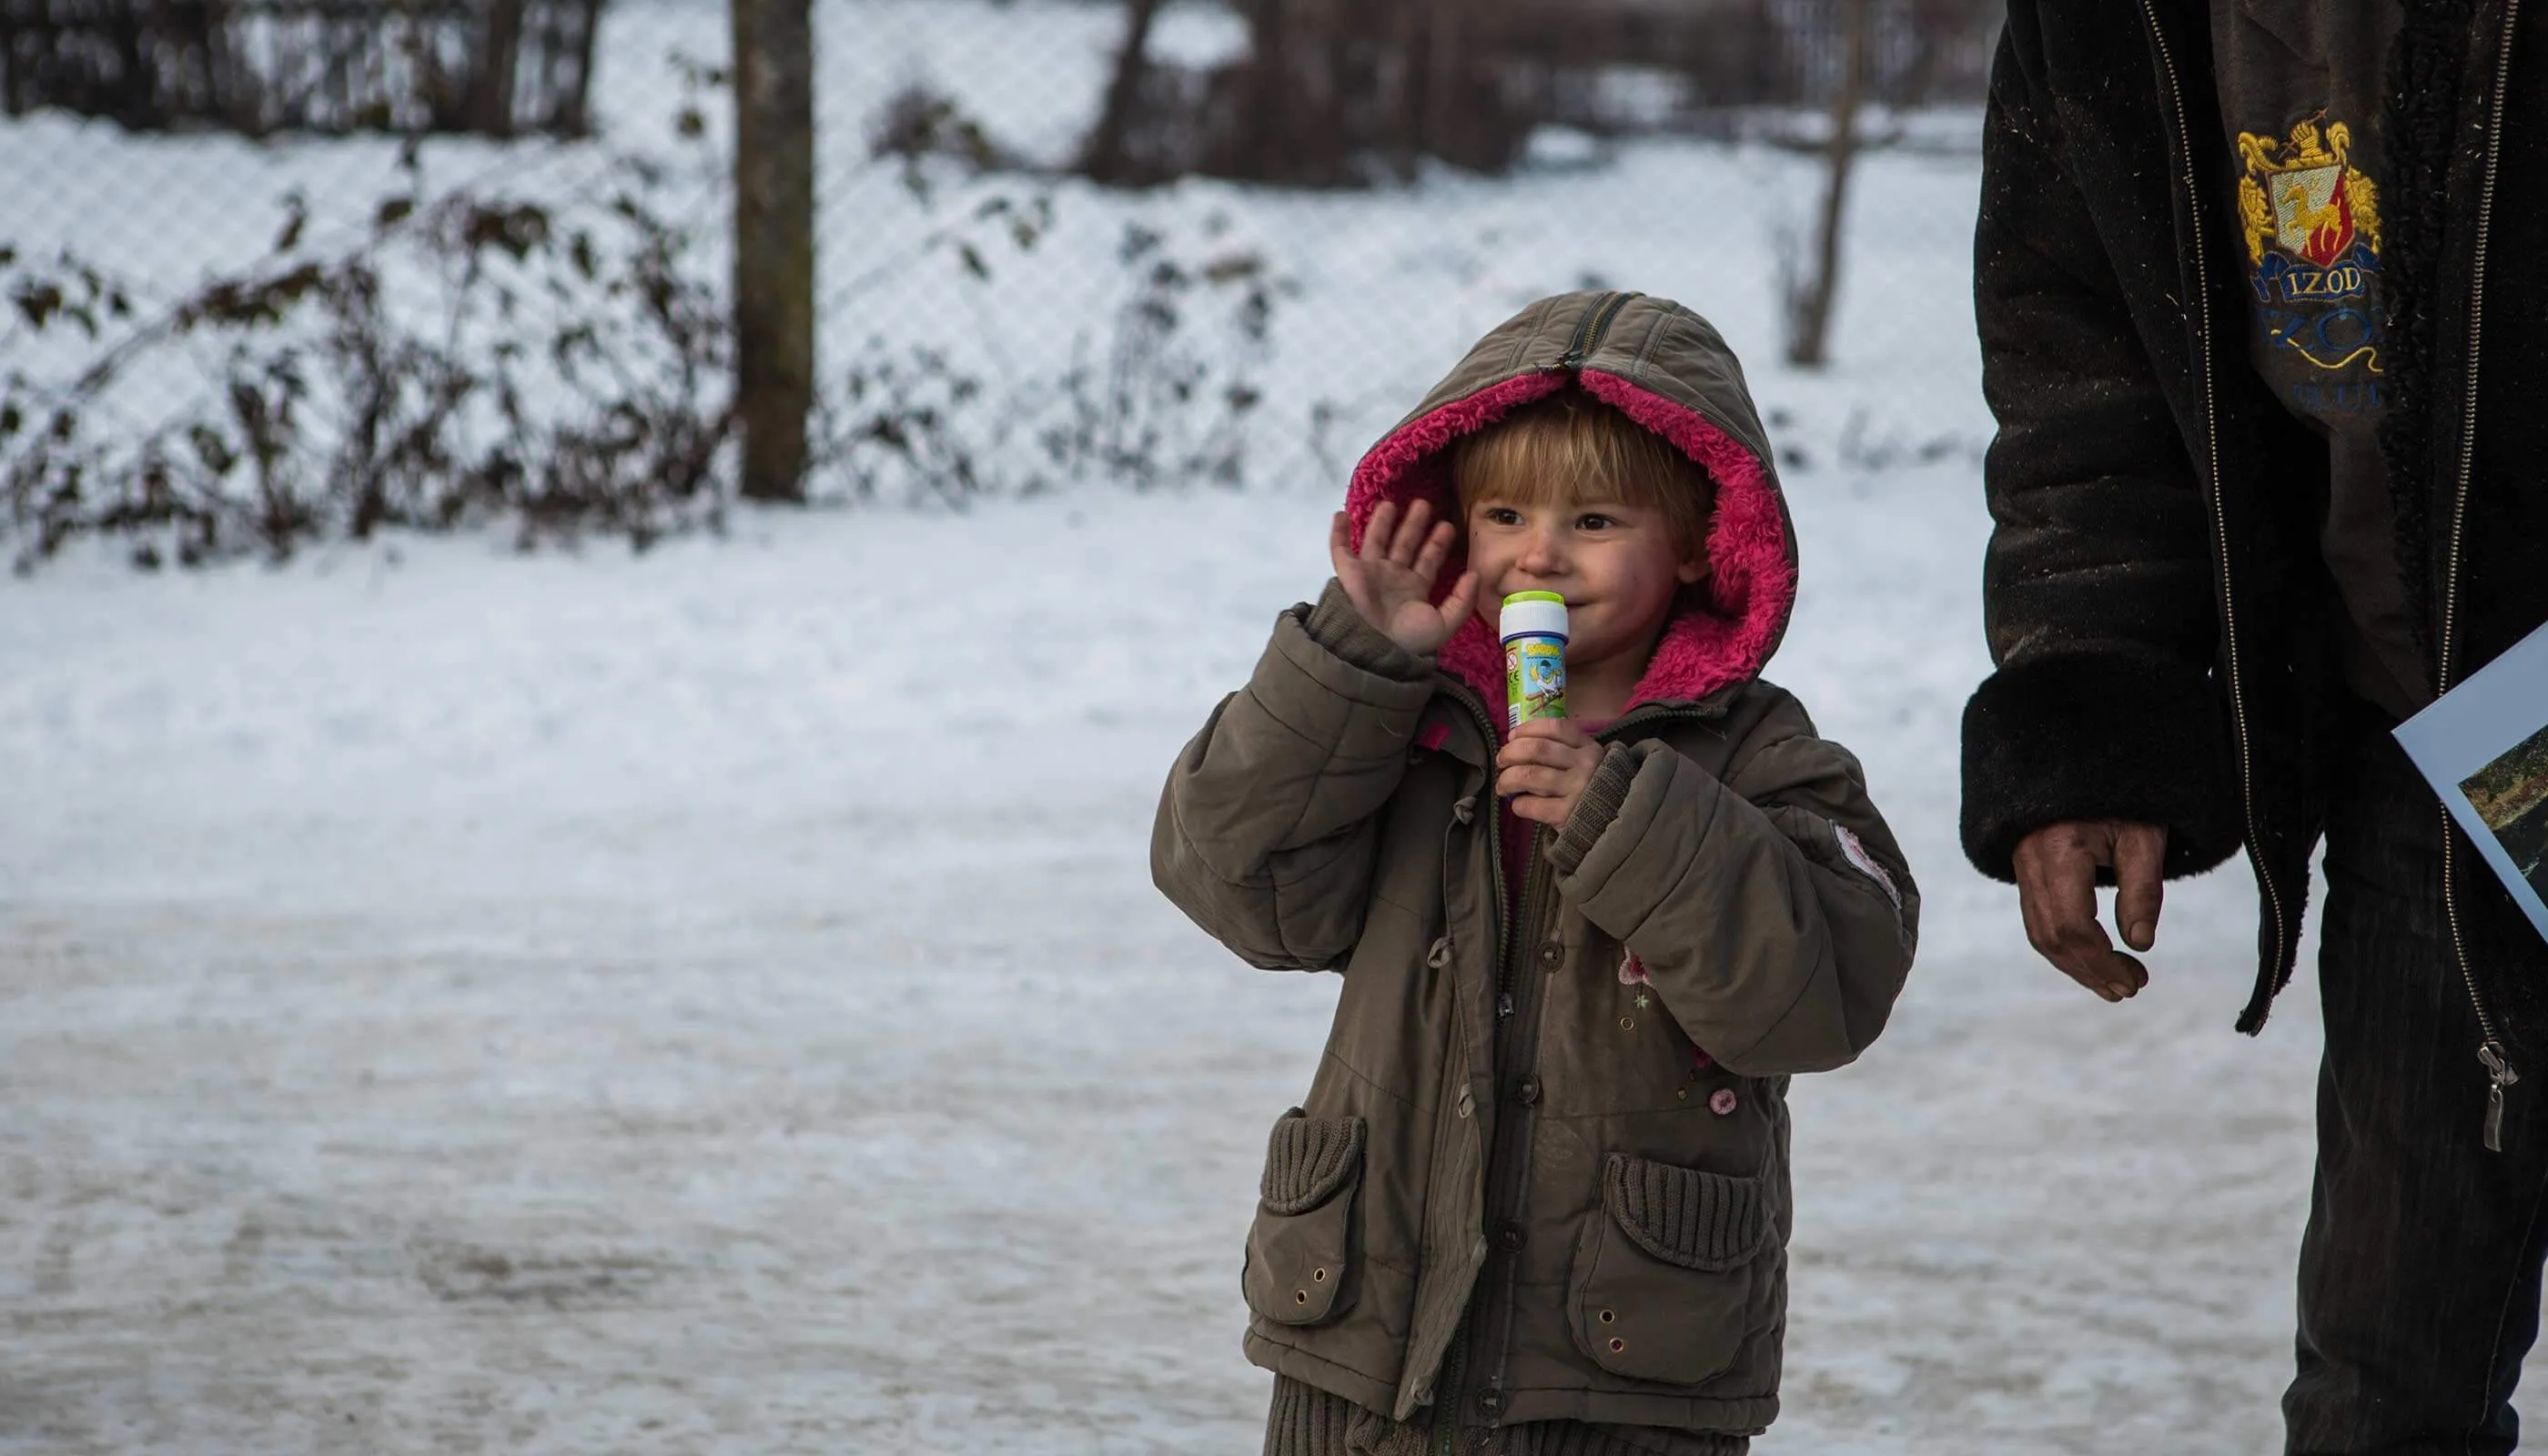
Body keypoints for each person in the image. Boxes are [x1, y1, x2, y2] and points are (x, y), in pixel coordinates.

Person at [1152, 290, 1917, 1455]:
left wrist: (1630, 817)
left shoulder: (1759, 753)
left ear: (1704, 541)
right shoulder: (1407, 727)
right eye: (1504, 512)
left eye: (1596, 519)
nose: (1539, 552)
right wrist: (1352, 668)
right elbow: (1235, 883)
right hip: (1366, 1339)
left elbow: (1821, 990)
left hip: (1617, 1368)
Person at [1961, 5, 2548, 1450]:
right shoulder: (2104, 24)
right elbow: (2085, 381)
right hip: (2438, 733)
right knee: (2381, 1385)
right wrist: (2094, 696)